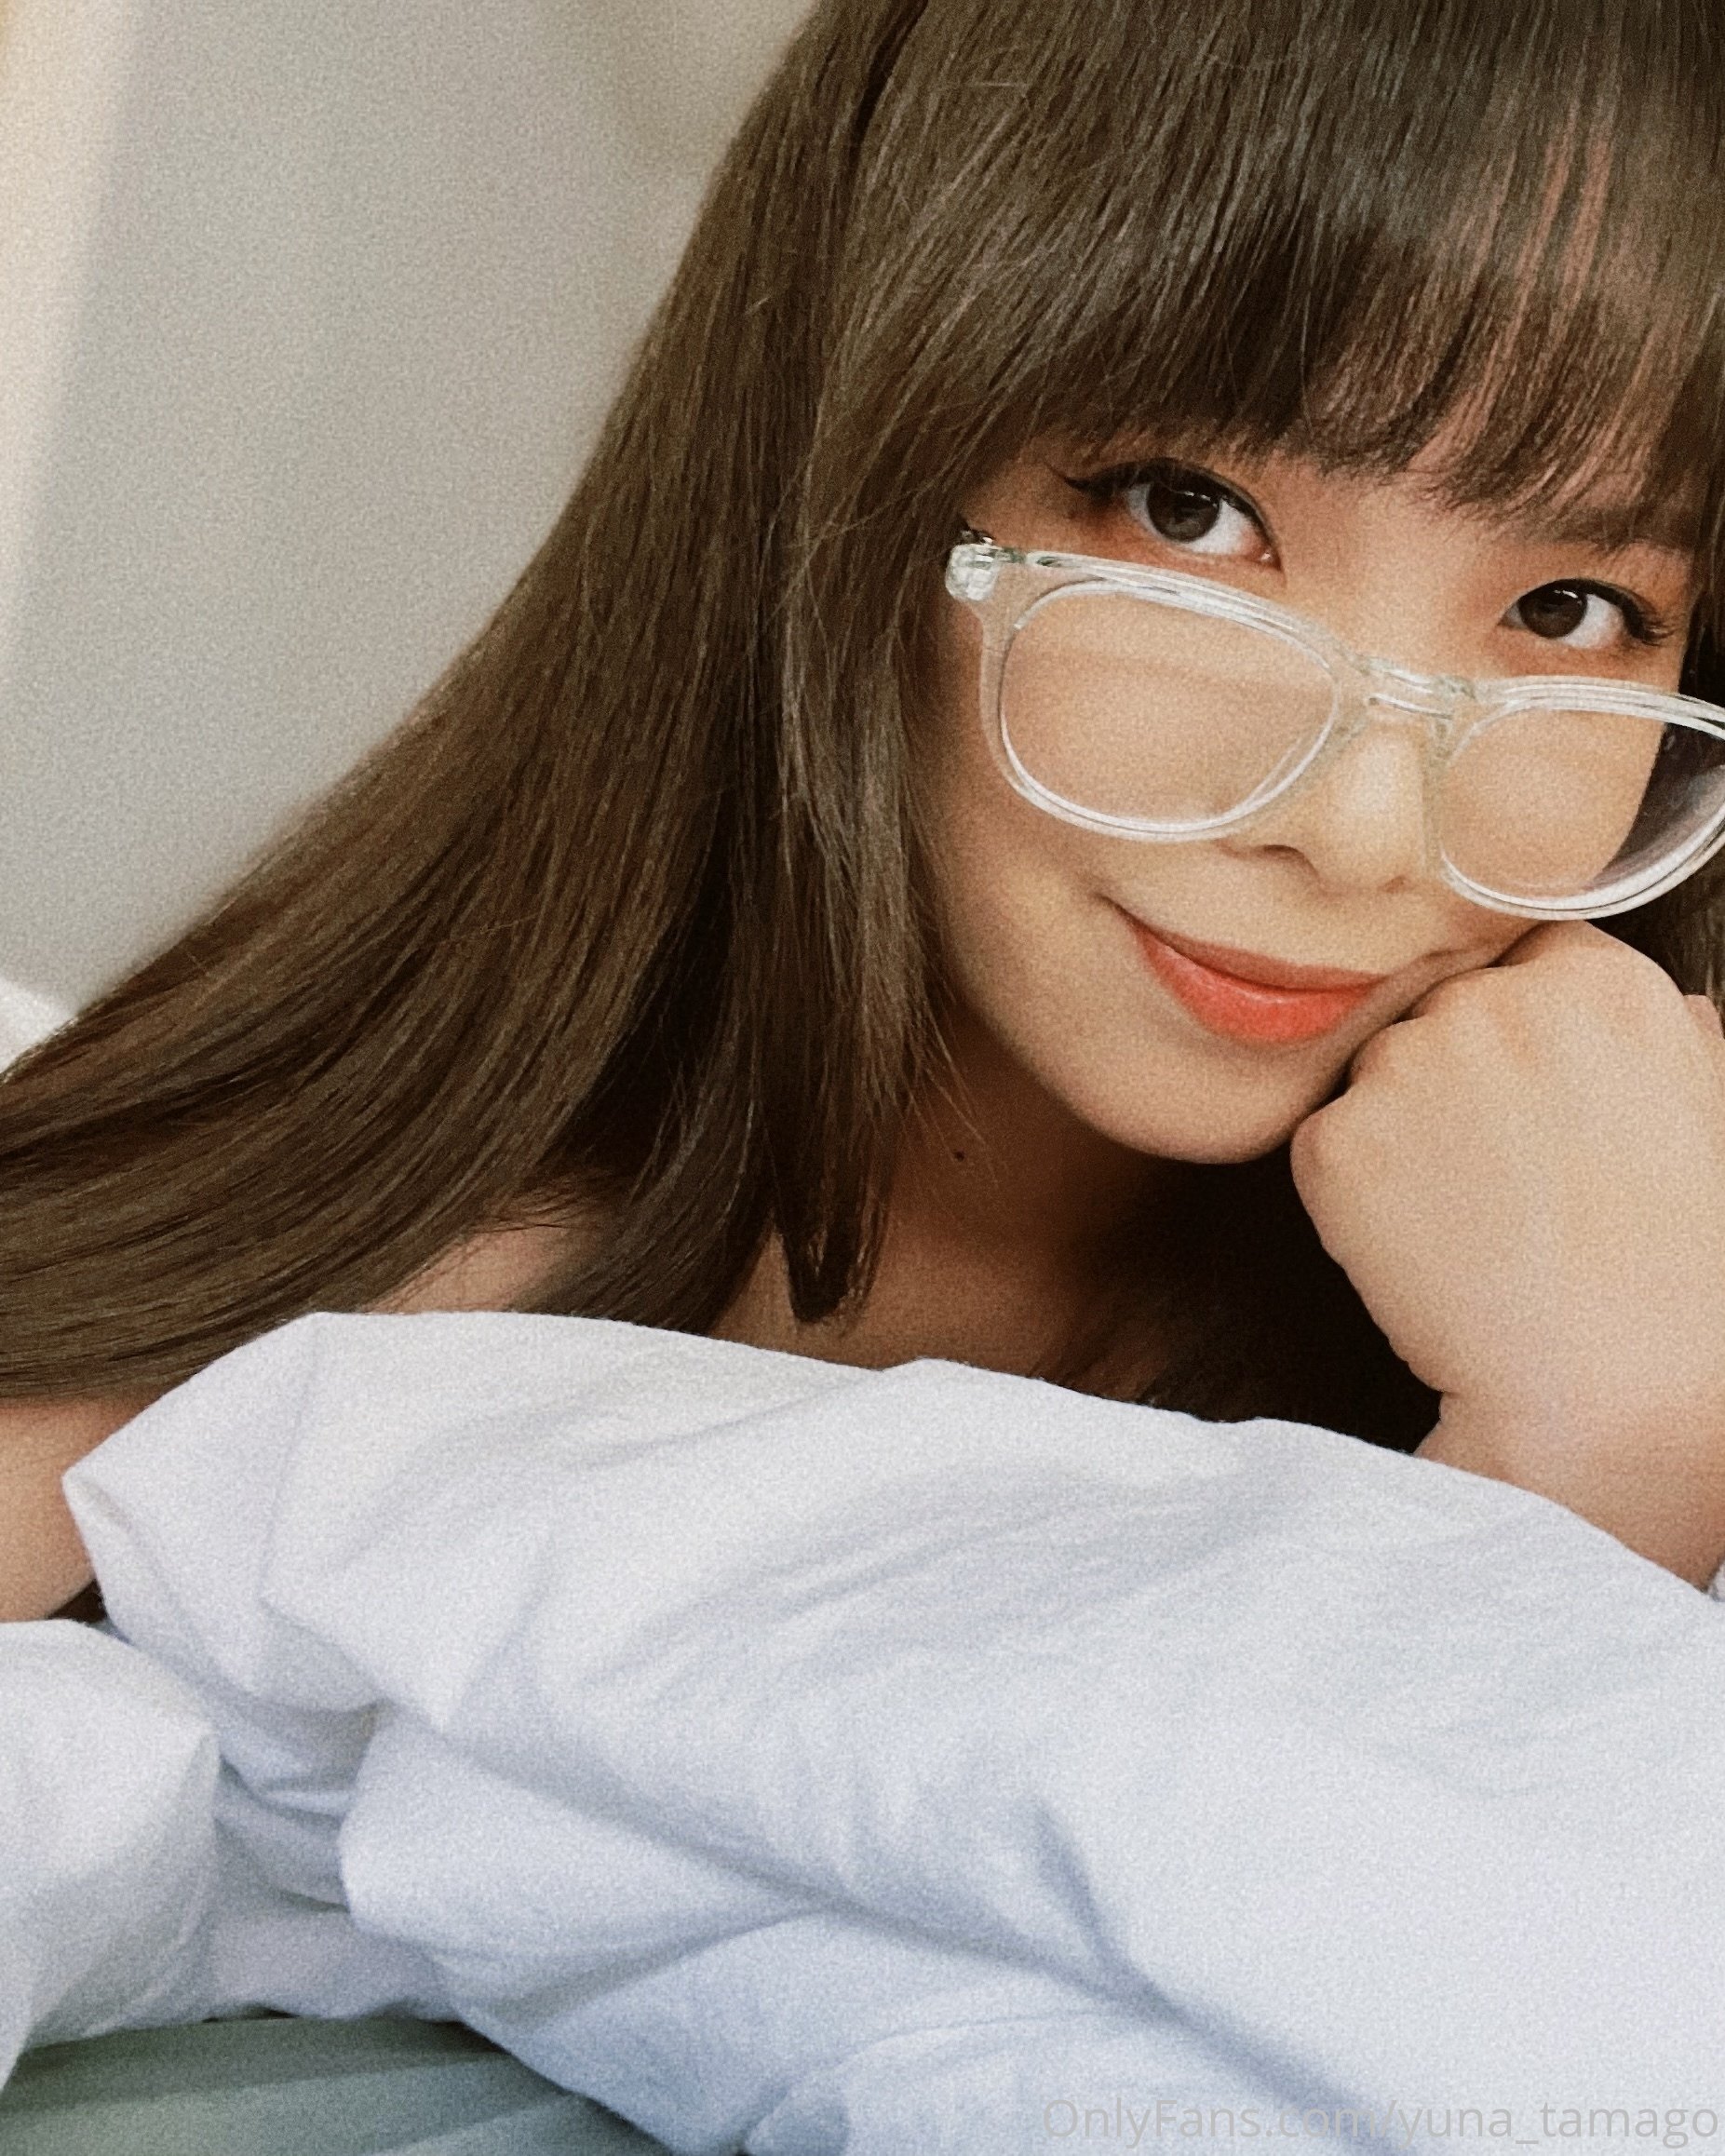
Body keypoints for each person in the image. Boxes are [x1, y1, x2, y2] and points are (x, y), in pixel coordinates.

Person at [6, 0, 1725, 1624]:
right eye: (1186, 513)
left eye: (1569, 608)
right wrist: (1595, 1483)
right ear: (846, 471)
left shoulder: (1636, 1353)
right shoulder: (242, 1380)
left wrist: (1620, 1436)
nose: (1358, 830)